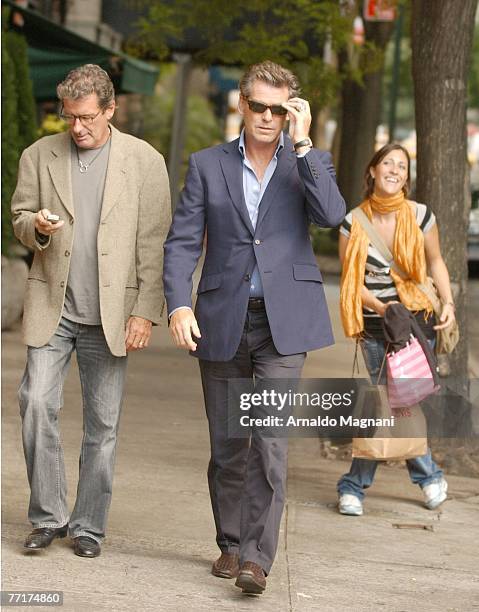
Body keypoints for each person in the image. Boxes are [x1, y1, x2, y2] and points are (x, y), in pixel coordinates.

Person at [163, 60, 345, 594]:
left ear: (291, 110)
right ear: (242, 104)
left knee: (269, 442)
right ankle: (231, 544)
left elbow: (332, 216)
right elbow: (181, 242)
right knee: (228, 444)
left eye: (278, 108)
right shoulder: (205, 164)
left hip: (283, 326)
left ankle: (257, 559)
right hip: (222, 318)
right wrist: (178, 305)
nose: (268, 117)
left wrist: (308, 146)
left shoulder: (305, 162)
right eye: (259, 106)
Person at [11, 64, 171, 557]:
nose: (76, 127)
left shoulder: (145, 162)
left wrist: (145, 311)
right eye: (68, 117)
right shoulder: (39, 155)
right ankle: (47, 516)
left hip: (110, 314)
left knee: (102, 426)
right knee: (37, 403)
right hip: (51, 306)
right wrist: (35, 226)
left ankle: (87, 526)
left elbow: (154, 242)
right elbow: (18, 217)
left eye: (85, 117)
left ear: (109, 109)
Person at [337, 143, 455, 516]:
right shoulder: (352, 221)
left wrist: (448, 302)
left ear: (407, 176)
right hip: (378, 326)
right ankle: (428, 477)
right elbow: (350, 282)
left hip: (418, 323)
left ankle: (355, 487)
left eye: (401, 166)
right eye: (387, 163)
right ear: (372, 170)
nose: (394, 170)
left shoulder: (421, 216)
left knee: (404, 403)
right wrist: (381, 307)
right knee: (387, 404)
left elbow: (435, 261)